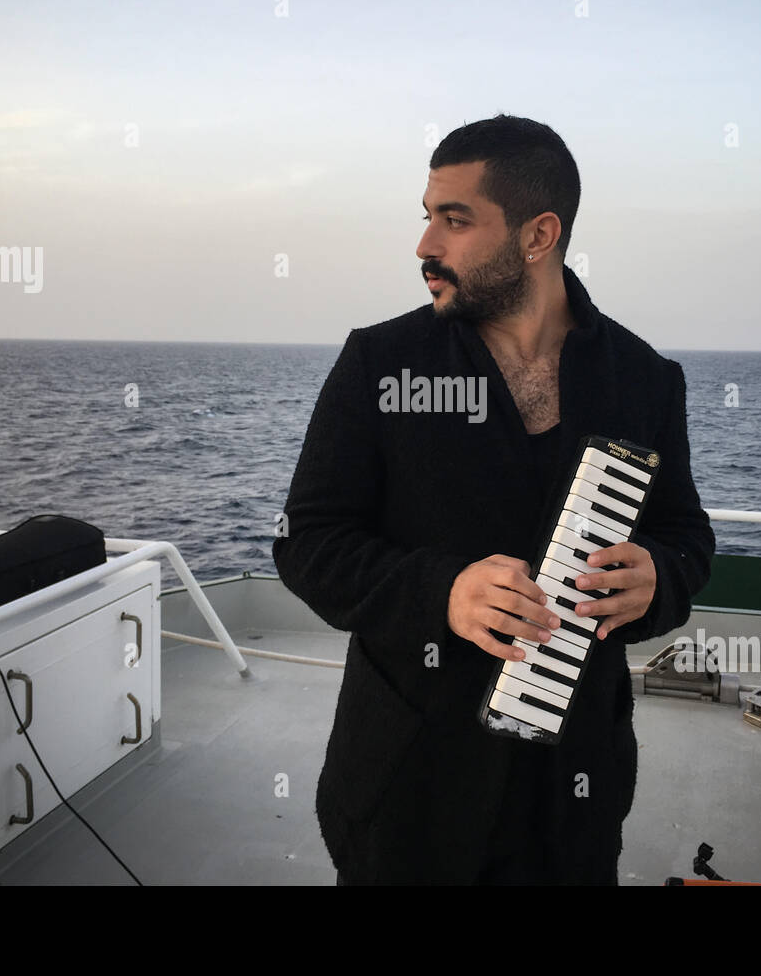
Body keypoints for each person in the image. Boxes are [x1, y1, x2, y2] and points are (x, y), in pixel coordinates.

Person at [272, 114, 714, 885]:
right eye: (427, 217)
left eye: (455, 220)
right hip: (409, 788)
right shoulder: (380, 361)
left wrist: (659, 578)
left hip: (572, 793)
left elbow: (686, 535)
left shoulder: (646, 378)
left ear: (538, 235)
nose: (424, 246)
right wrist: (443, 591)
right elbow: (307, 542)